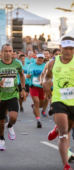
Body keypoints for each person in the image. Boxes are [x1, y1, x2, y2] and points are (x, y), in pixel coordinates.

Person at [43, 36, 74, 170]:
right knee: (63, 134)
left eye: (71, 49)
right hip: (59, 100)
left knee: (68, 128)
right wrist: (45, 83)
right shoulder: (53, 63)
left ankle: (57, 129)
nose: (68, 51)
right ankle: (65, 164)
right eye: (66, 48)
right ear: (60, 48)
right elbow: (46, 75)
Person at [0, 44, 26, 151]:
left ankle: (10, 126)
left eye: (9, 51)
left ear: (12, 52)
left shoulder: (17, 64)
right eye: (5, 51)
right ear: (1, 52)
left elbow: (21, 75)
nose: (7, 53)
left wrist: (23, 88)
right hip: (0, 97)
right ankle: (1, 139)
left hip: (13, 95)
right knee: (1, 122)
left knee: (13, 117)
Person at [27, 53, 46, 127]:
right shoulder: (31, 65)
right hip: (33, 86)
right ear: (36, 58)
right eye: (39, 58)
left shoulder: (45, 66)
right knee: (37, 102)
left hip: (42, 87)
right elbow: (27, 76)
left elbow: (49, 76)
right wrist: (29, 75)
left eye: (42, 58)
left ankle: (34, 106)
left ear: (43, 59)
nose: (40, 59)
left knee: (41, 104)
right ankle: (38, 120)